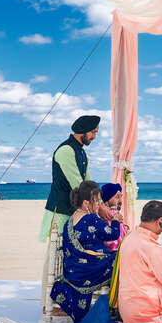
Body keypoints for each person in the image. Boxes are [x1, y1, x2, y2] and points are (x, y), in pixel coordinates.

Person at [40, 114, 100, 312]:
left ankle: (63, 302)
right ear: (82, 132)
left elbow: (89, 181)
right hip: (61, 211)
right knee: (54, 257)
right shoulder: (66, 151)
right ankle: (45, 303)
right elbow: (79, 185)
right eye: (93, 132)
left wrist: (102, 202)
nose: (94, 136)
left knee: (69, 258)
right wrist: (99, 208)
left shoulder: (82, 153)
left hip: (74, 213)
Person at [49, 181, 123, 323]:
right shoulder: (91, 219)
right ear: (85, 203)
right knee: (121, 258)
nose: (98, 205)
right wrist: (115, 221)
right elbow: (112, 234)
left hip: (72, 271)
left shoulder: (70, 221)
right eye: (96, 202)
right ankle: (116, 308)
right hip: (88, 271)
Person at [100, 182, 129, 253]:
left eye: (121, 197)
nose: (121, 201)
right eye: (117, 197)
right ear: (106, 202)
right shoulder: (111, 216)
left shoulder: (116, 216)